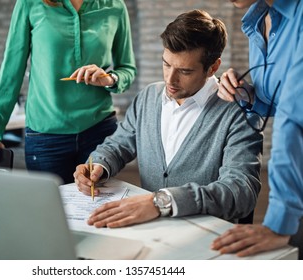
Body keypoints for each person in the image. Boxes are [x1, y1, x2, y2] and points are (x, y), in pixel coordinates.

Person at [73, 9, 263, 228]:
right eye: (166, 64)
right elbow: (118, 144)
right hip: (152, 230)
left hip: (205, 238)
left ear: (213, 67)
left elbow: (240, 191)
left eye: (185, 71)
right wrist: (97, 165)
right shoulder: (148, 97)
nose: (170, 79)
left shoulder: (239, 113)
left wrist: (161, 202)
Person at [0, 0, 136, 183]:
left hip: (99, 131)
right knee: (50, 209)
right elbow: (11, 71)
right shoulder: (30, 3)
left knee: (98, 209)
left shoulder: (115, 5)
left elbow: (127, 69)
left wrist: (109, 79)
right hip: (45, 136)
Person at [212, 0, 303, 259]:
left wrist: (278, 222)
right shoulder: (258, 20)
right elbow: (280, 101)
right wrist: (247, 94)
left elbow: (293, 115)